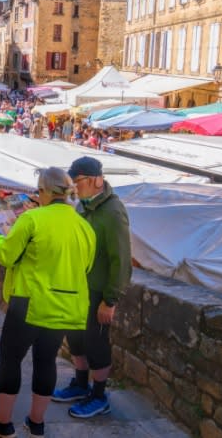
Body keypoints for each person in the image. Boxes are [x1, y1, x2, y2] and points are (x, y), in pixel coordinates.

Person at [0, 167, 96, 438]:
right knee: (46, 361)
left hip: (29, 301)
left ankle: (2, 422)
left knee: (11, 359)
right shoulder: (84, 226)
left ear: (44, 191)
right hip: (64, 305)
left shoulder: (32, 218)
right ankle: (36, 423)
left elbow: (7, 256)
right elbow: (87, 267)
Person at [52, 156, 132, 419]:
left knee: (96, 344)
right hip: (77, 288)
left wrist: (110, 300)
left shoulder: (113, 211)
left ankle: (99, 396)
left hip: (97, 291)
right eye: (73, 182)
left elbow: (121, 259)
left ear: (97, 180)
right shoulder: (82, 207)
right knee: (76, 339)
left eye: (79, 181)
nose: (75, 187)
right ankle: (80, 384)